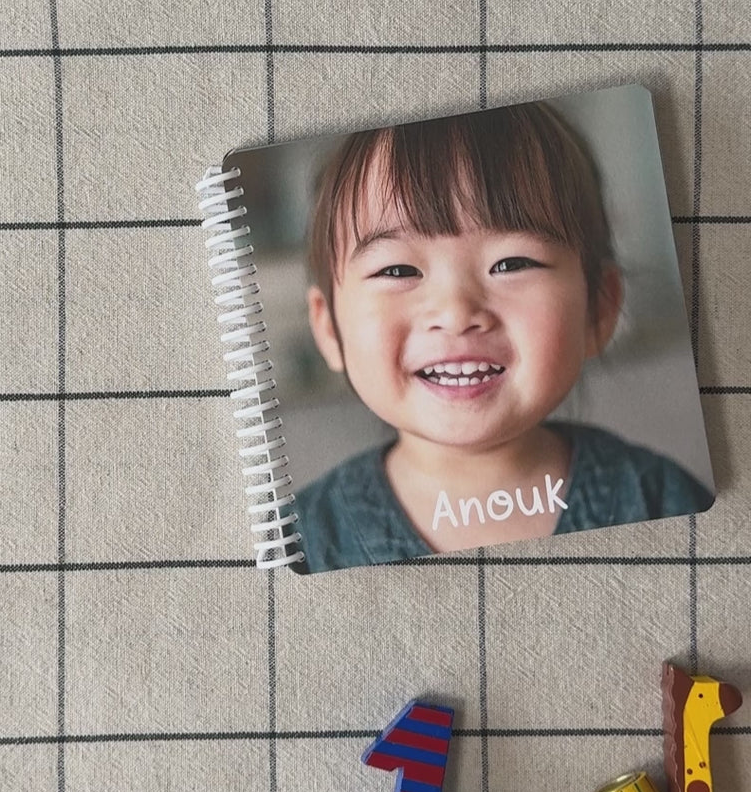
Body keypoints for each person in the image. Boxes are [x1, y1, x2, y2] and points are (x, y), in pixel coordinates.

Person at [290, 102, 713, 573]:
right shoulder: (301, 545)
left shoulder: (661, 499)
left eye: (511, 264)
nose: (456, 313)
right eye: (398, 269)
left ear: (599, 308)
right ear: (329, 328)